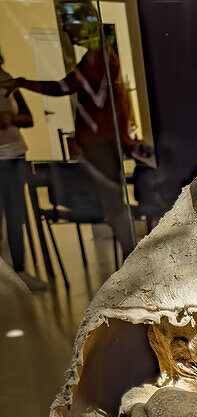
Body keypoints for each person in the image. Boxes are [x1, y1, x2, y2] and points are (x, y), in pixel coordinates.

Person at [1, 2, 135, 259]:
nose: (64, 27)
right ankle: (131, 262)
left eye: (68, 21)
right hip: (100, 146)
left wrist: (21, 82)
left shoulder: (99, 56)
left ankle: (132, 262)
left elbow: (64, 87)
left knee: (115, 208)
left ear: (84, 24)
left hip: (102, 147)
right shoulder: (96, 56)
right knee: (113, 207)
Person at [0, 49, 45, 289]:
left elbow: (28, 119)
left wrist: (9, 119)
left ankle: (20, 271)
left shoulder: (8, 81)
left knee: (16, 217)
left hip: (15, 157)